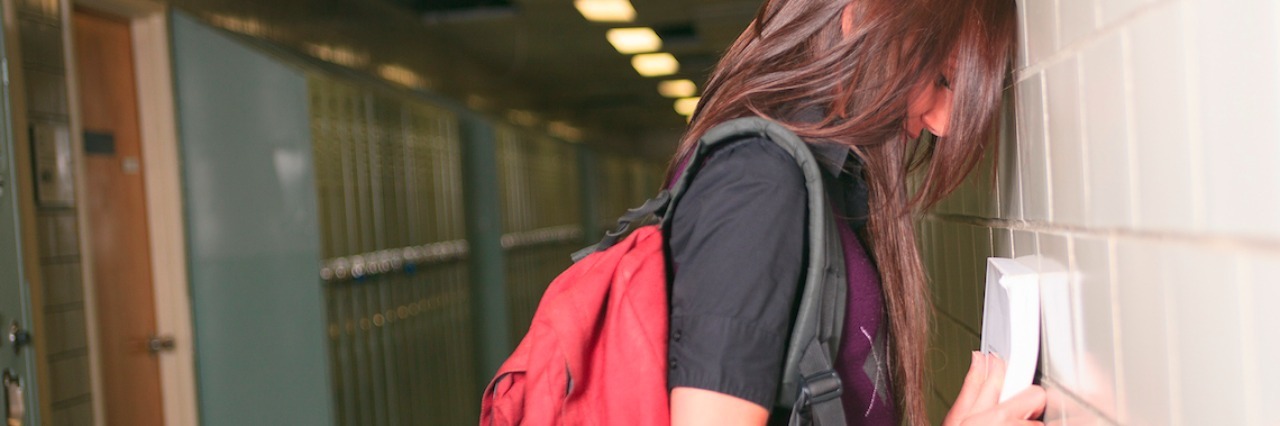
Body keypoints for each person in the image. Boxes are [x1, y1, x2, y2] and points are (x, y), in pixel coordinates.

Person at [663, 0, 1046, 424]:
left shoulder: (822, 182)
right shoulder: (756, 180)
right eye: (942, 79)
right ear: (864, 14)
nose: (946, 125)